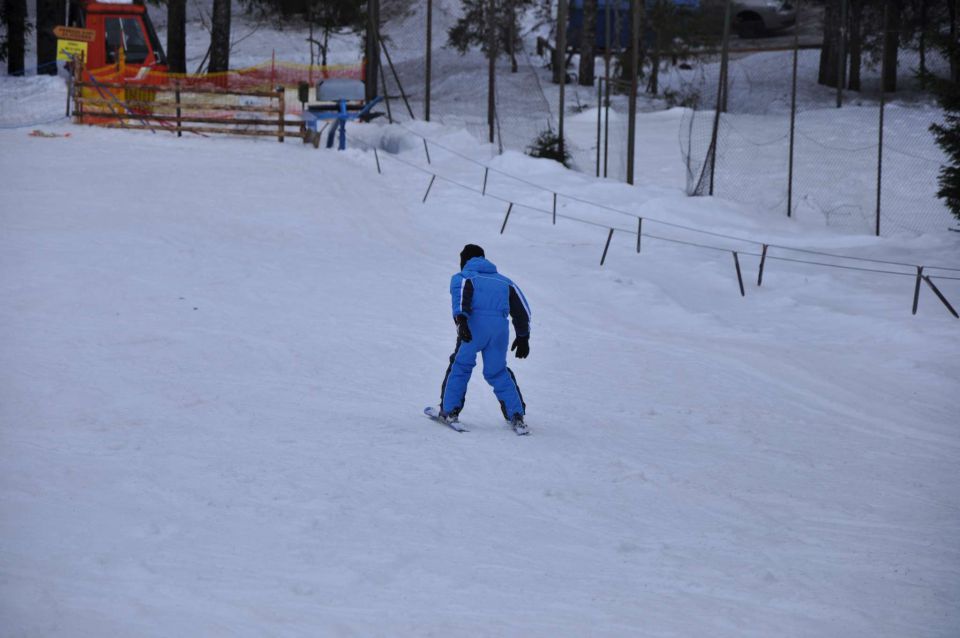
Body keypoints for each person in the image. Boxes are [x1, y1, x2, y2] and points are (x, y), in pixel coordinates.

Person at [437, 244, 531, 434]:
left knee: (461, 366)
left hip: (473, 328)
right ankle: (516, 415)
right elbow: (522, 309)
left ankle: (449, 411)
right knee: (497, 371)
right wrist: (523, 336)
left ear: (465, 260)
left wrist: (461, 320)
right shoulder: (505, 282)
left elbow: (461, 296)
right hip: (499, 332)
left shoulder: (464, 277)